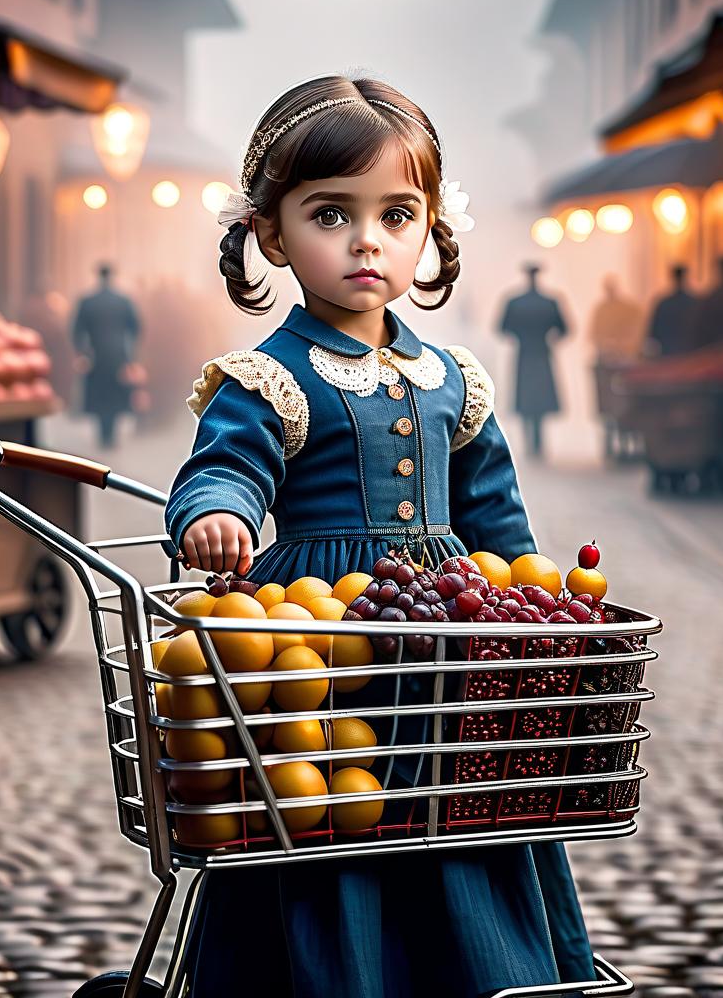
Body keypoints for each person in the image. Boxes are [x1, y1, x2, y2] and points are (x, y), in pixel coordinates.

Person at [161, 75, 595, 998]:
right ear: (272, 234)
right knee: (325, 798)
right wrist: (219, 514)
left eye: (397, 214)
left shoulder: (453, 377)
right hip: (324, 630)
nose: (368, 240)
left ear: (431, 229)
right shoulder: (267, 375)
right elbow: (224, 463)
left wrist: (542, 603)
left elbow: (496, 516)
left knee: (460, 792)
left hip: (447, 631)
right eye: (331, 214)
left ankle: (486, 968)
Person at [498, 264, 568, 458]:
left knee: (526, 397)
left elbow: (502, 328)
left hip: (524, 353)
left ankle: (531, 443)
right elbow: (565, 329)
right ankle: (538, 443)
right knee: (540, 398)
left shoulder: (514, 301)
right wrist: (548, 337)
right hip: (542, 352)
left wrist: (519, 335)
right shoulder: (550, 301)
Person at [72, 263, 141, 447]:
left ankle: (103, 433)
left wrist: (81, 351)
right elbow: (135, 327)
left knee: (100, 394)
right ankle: (111, 433)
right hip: (118, 354)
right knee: (114, 394)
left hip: (95, 354)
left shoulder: (88, 301)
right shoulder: (123, 300)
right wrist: (130, 349)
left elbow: (77, 329)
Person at [588, 273, 646, 362]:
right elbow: (594, 334)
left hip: (626, 355)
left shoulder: (629, 308)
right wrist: (606, 344)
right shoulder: (601, 309)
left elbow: (637, 329)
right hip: (606, 356)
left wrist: (623, 344)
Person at [647, 264, 698, 357]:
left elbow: (653, 333)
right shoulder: (695, 303)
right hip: (690, 357)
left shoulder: (663, 304)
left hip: (668, 357)